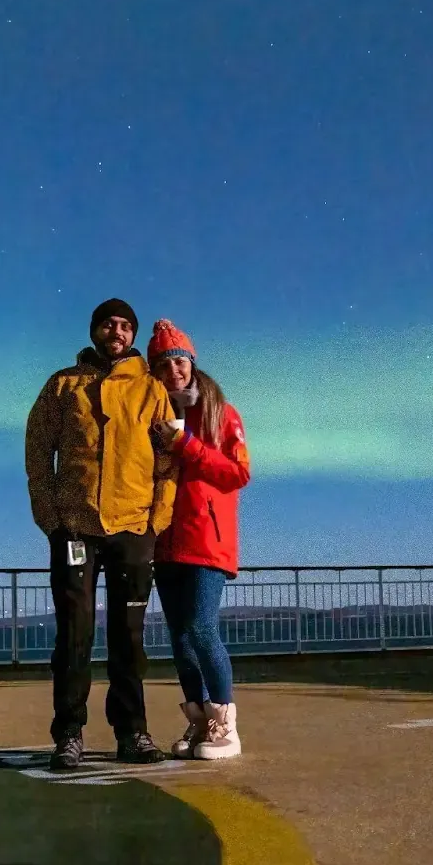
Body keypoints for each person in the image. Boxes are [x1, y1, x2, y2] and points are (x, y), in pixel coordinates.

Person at [25, 298, 178, 771]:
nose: (117, 332)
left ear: (132, 336)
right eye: (109, 324)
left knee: (129, 637)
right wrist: (51, 518)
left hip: (133, 527)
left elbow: (169, 459)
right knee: (74, 634)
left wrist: (157, 520)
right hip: (75, 526)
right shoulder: (62, 385)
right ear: (94, 330)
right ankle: (68, 735)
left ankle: (132, 733)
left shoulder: (152, 390)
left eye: (125, 326)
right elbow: (37, 452)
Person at [146, 320, 252, 759]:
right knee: (179, 636)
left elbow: (237, 472)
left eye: (180, 361)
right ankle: (198, 721)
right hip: (165, 540)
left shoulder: (220, 413)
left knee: (202, 627)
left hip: (207, 539)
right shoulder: (152, 417)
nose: (175, 371)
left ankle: (225, 723)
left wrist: (186, 443)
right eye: (164, 365)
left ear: (192, 363)